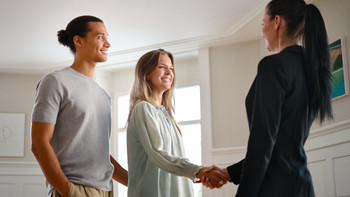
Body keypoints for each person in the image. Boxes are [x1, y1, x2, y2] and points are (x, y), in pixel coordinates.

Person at [203, 0, 333, 196]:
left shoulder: (272, 66)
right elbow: (279, 145)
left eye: (263, 23)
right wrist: (229, 173)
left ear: (277, 21)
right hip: (301, 186)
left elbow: (263, 144)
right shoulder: (312, 70)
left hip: (274, 188)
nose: (262, 31)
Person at [31, 15, 128, 197]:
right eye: (100, 37)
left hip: (106, 191)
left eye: (107, 37)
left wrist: (134, 181)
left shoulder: (103, 95)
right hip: (74, 189)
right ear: (78, 40)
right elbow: (39, 143)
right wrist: (68, 191)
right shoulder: (55, 82)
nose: (107, 43)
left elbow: (100, 155)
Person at [126, 49, 230, 197]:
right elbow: (159, 155)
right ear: (147, 73)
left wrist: (200, 173)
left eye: (171, 68)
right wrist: (198, 171)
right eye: (161, 67)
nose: (169, 72)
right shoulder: (143, 108)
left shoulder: (166, 113)